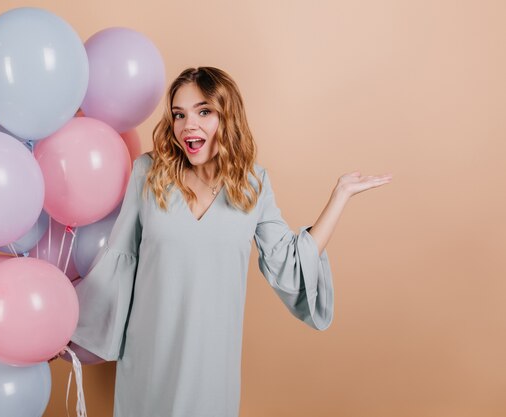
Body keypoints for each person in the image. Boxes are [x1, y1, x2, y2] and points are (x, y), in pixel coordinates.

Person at [70, 67, 392, 417]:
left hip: (211, 364)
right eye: (179, 115)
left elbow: (290, 260)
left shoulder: (253, 184)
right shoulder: (149, 172)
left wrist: (340, 195)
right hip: (150, 356)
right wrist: (69, 325)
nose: (188, 125)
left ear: (228, 116)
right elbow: (121, 256)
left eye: (203, 111)